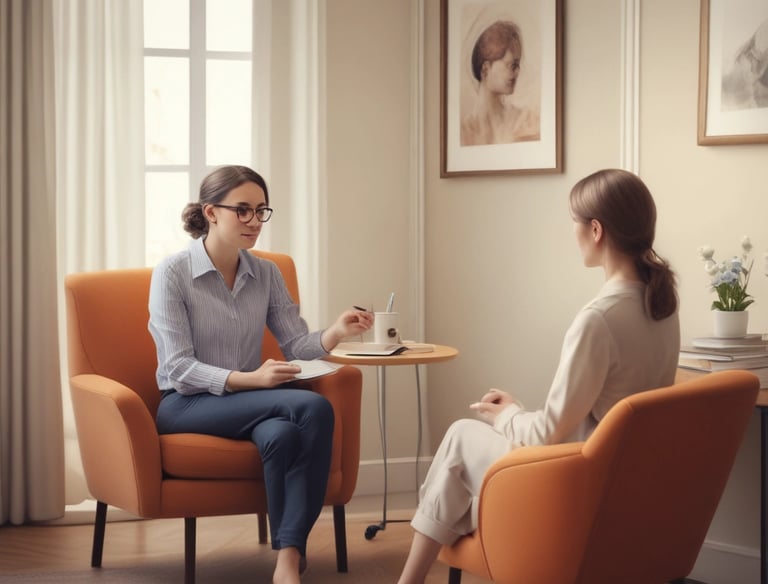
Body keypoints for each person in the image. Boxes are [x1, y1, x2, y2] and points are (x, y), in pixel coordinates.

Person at [396, 168, 680, 584]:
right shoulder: (662, 307)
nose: (572, 232)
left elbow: (548, 435)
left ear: (596, 230)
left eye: (574, 222)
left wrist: (507, 416)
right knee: (466, 456)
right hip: (625, 482)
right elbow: (599, 416)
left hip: (576, 485)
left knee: (460, 435)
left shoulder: (598, 319)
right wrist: (517, 413)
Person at [148, 165, 373, 584]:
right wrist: (251, 379)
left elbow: (297, 346)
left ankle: (287, 557)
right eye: (243, 210)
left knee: (283, 435)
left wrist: (337, 331)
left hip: (245, 402)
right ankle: (292, 556)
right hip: (186, 404)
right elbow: (178, 368)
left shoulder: (266, 273)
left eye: (261, 211)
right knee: (313, 408)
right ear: (211, 212)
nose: (254, 221)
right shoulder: (173, 274)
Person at [460, 19, 541, 146]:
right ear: (485, 69)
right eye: (512, 65)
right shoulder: (464, 131)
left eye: (517, 65)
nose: (517, 72)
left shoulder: (526, 121)